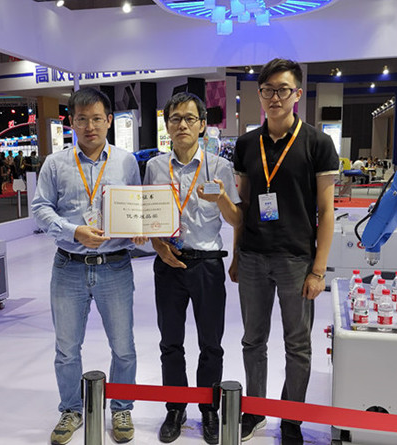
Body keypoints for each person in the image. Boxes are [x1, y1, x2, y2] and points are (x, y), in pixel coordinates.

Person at [229, 58, 339, 444]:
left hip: (297, 259)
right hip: (253, 256)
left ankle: (291, 417)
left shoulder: (318, 143)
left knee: (298, 345)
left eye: (283, 90)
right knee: (252, 340)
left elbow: (326, 212)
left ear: (297, 94)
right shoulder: (246, 144)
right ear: (259, 94)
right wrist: (236, 254)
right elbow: (243, 207)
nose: (274, 97)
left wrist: (319, 270)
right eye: (267, 90)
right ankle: (255, 410)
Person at [31, 87, 146, 445]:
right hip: (69, 266)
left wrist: (139, 231)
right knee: (67, 349)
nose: (90, 126)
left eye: (97, 118)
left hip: (115, 266)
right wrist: (73, 231)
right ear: (72, 122)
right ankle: (71, 409)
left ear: (109, 120)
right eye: (82, 119)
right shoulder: (55, 163)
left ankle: (122, 408)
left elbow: (137, 207)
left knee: (123, 347)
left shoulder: (126, 162)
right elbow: (40, 208)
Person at [144, 92, 242, 445]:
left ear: (202, 125)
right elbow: (147, 215)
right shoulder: (155, 167)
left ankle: (209, 409)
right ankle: (175, 408)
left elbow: (236, 219)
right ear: (167, 126)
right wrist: (157, 244)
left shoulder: (220, 167)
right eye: (175, 119)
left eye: (189, 118)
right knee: (170, 342)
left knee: (210, 344)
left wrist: (222, 198)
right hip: (168, 263)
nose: (182, 125)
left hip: (207, 265)